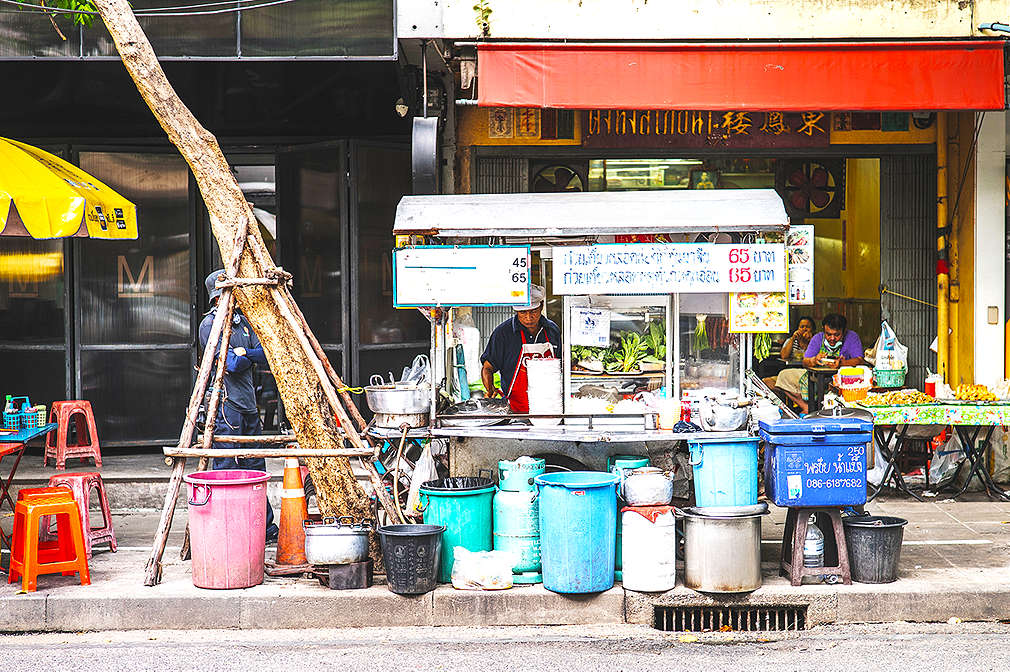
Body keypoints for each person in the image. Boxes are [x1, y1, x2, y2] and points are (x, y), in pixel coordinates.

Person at [199, 269, 278, 542]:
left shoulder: (243, 323)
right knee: (226, 467)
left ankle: (265, 528)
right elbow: (230, 364)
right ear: (218, 298)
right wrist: (245, 356)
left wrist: (245, 353)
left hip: (249, 405)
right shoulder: (210, 325)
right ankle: (226, 526)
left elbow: (265, 354)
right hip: (226, 404)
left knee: (256, 466)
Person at [480, 284, 561, 413]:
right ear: (516, 311)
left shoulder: (552, 331)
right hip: (514, 408)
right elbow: (488, 368)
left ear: (541, 306)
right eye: (523, 312)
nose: (529, 317)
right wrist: (490, 389)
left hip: (549, 407)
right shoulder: (503, 333)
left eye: (533, 311)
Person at [770, 313, 864, 414]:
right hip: (816, 378)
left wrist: (843, 363)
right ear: (824, 329)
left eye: (836, 335)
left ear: (844, 331)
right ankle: (806, 406)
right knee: (784, 375)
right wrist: (814, 360)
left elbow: (859, 359)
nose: (832, 338)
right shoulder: (818, 338)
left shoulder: (852, 337)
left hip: (843, 380)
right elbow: (805, 361)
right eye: (828, 334)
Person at [760, 316, 814, 388]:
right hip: (790, 372)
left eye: (807, 327)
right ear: (798, 328)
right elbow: (784, 356)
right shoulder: (791, 340)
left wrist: (810, 341)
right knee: (766, 382)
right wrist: (792, 338)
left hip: (807, 373)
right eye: (802, 326)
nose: (804, 329)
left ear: (812, 329)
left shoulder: (815, 342)